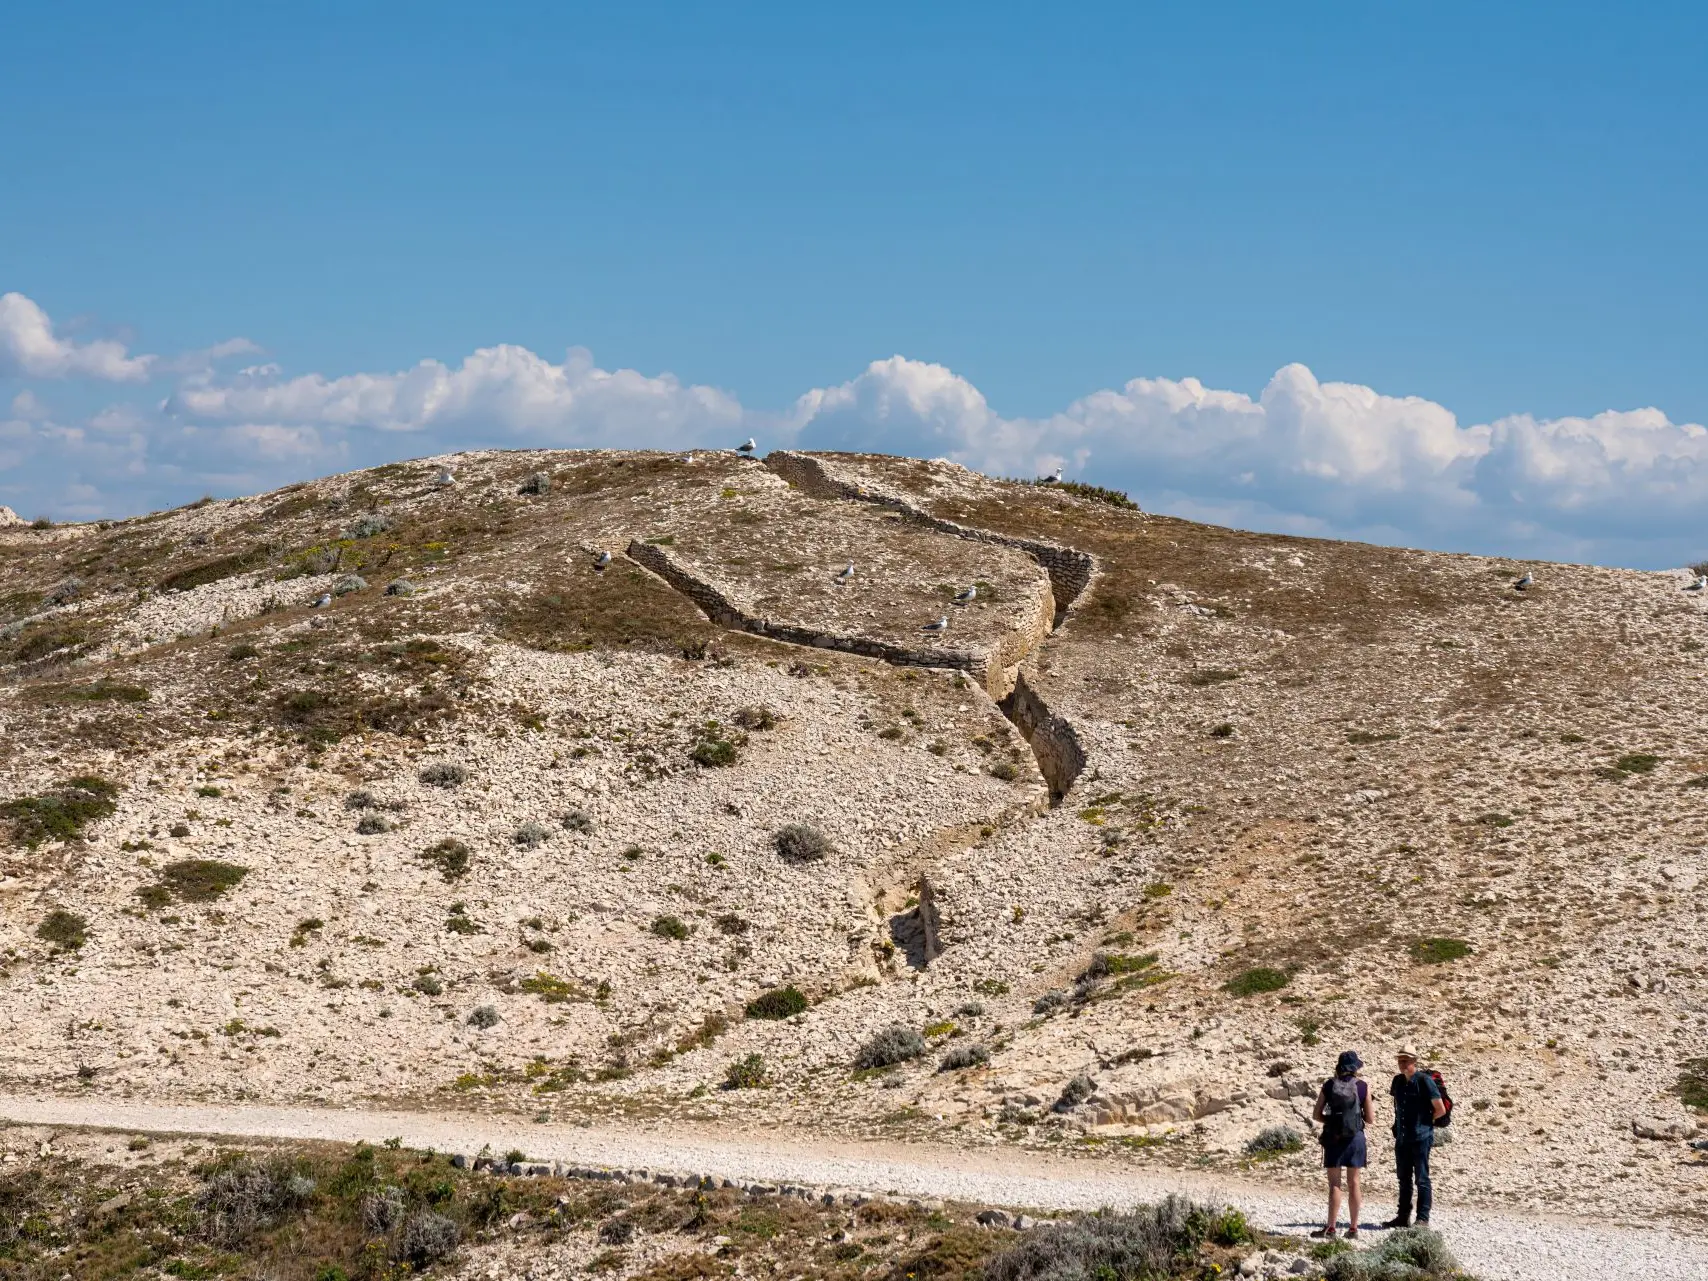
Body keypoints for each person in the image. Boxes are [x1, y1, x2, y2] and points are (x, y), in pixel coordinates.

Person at [1311, 1049, 1375, 1239]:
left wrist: (1332, 1122)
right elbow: (1370, 1119)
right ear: (1355, 1068)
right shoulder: (1362, 1086)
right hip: (1356, 1138)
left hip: (1334, 1138)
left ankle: (1331, 1228)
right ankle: (1353, 1228)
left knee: (1334, 1184)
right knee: (1354, 1182)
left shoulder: (1329, 1085)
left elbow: (1316, 1114)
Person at [1384, 1045, 1445, 1227]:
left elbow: (1440, 1109)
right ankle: (1403, 1217)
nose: (1402, 1063)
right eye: (1400, 1060)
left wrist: (1425, 1122)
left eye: (1405, 1060)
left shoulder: (1424, 1081)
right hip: (1402, 1137)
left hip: (1421, 1137)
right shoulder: (1397, 1081)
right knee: (1403, 1178)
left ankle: (1423, 1218)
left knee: (1422, 1178)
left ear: (1414, 1061)